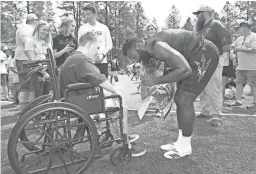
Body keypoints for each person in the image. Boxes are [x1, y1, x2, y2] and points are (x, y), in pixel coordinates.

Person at [122, 29, 219, 159]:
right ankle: (181, 141)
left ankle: (185, 146)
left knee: (184, 99)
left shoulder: (157, 47)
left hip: (205, 52)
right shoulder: (147, 49)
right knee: (179, 98)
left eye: (133, 57)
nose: (135, 61)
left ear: (138, 46)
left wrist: (155, 81)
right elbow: (155, 69)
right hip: (193, 54)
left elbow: (185, 70)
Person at [60, 32, 146, 157]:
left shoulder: (73, 57)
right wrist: (117, 92)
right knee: (119, 105)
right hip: (83, 102)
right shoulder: (82, 60)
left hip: (75, 99)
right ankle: (125, 144)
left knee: (112, 100)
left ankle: (122, 135)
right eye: (97, 48)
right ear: (89, 45)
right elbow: (100, 79)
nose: (97, 52)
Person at [193, 5, 232, 126]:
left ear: (204, 13)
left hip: (213, 60)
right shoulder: (201, 28)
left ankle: (217, 115)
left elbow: (226, 45)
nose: (197, 17)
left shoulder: (216, 25)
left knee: (213, 87)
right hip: (201, 61)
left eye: (198, 14)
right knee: (203, 87)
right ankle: (206, 110)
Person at [19, 20, 52, 112]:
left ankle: (45, 113)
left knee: (47, 93)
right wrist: (42, 71)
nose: (45, 32)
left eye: (47, 30)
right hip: (36, 71)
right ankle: (37, 114)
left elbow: (50, 57)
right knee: (38, 94)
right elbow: (32, 59)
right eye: (44, 30)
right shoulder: (30, 42)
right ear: (37, 29)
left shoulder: (47, 42)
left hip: (47, 70)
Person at [78, 4, 113, 78]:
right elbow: (80, 46)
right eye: (85, 14)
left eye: (88, 14)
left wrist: (102, 55)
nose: (86, 17)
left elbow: (109, 45)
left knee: (102, 85)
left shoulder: (104, 28)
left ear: (95, 14)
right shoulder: (82, 29)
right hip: (87, 62)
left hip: (102, 61)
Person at [229, 21, 256, 109]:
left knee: (253, 85)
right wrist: (233, 49)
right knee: (238, 83)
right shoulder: (240, 38)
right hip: (240, 66)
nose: (238, 30)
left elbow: (254, 49)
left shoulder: (254, 36)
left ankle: (255, 103)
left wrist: (239, 49)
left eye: (239, 28)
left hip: (252, 66)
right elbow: (232, 46)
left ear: (245, 28)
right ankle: (238, 101)